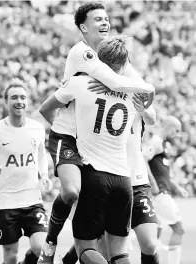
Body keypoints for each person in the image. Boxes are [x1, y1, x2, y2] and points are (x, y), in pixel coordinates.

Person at [38, 3, 154, 263]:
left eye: (106, 18)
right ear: (82, 27)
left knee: (93, 239)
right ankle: (50, 242)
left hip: (94, 147)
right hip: (69, 136)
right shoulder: (83, 52)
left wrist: (139, 91)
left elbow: (134, 90)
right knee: (71, 193)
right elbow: (118, 81)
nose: (105, 22)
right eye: (98, 19)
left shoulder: (112, 61)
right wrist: (142, 90)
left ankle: (69, 256)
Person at [60, 91, 159, 264]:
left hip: (136, 180)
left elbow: (151, 118)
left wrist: (144, 109)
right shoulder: (96, 95)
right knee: (102, 249)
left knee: (150, 244)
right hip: (107, 178)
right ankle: (67, 259)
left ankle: (67, 259)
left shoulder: (134, 91)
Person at [0, 78, 52, 264]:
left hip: (33, 201)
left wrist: (45, 175)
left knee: (42, 249)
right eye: (14, 97)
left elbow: (41, 154)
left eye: (23, 97)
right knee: (10, 257)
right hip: (6, 203)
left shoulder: (37, 128)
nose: (19, 101)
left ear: (28, 100)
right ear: (6, 101)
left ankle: (29, 260)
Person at [144, 115, 188, 264]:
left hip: (162, 192)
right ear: (168, 127)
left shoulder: (163, 144)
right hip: (160, 194)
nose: (177, 133)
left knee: (156, 232)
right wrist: (153, 185)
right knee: (179, 229)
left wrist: (177, 187)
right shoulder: (156, 142)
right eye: (176, 130)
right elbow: (143, 159)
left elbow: (164, 173)